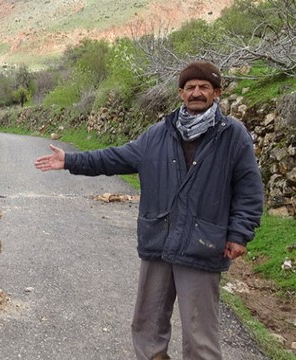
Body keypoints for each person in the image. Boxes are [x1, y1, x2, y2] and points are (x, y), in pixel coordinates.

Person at [34, 61, 264, 360]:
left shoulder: (232, 135)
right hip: (159, 240)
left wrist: (239, 234)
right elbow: (114, 158)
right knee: (147, 326)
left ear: (216, 93)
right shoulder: (158, 134)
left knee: (200, 335)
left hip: (202, 244)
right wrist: (71, 161)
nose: (197, 92)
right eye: (190, 87)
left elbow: (249, 188)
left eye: (204, 87)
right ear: (181, 93)